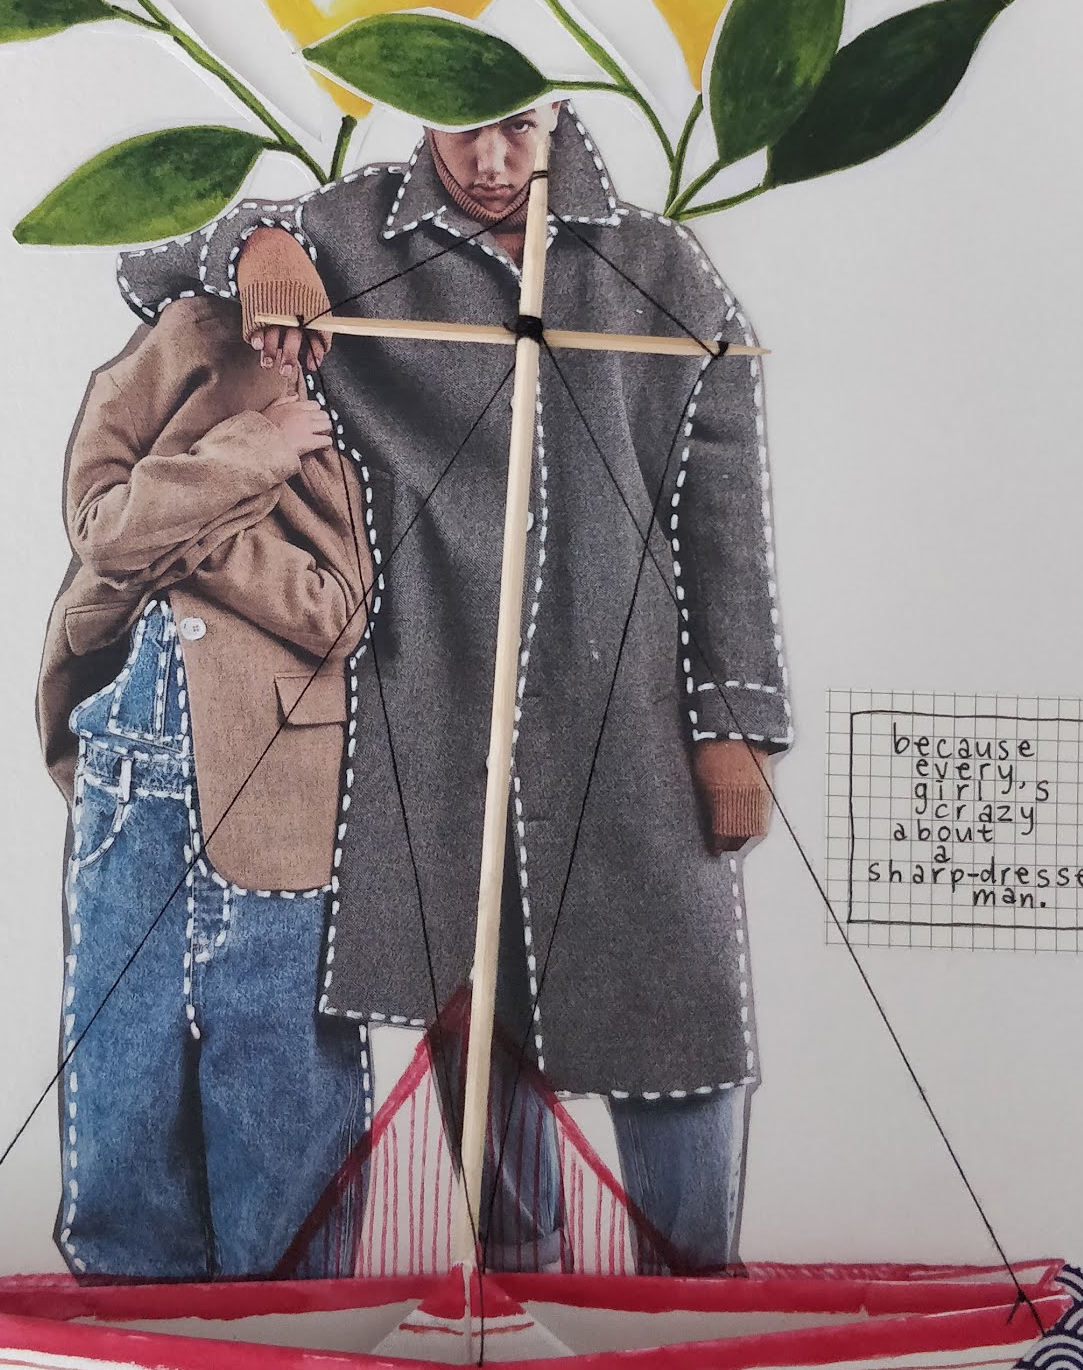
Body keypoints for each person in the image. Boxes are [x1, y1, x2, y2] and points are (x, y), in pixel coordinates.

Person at [115, 101, 791, 1273]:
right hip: (422, 697)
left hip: (621, 700)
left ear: (559, 114)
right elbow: (147, 271)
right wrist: (256, 242)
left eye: (518, 127)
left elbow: (720, 511)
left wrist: (731, 722)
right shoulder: (351, 231)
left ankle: (696, 1283)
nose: (489, 159)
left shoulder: (656, 263)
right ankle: (517, 1281)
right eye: (463, 124)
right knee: (471, 1013)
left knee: (673, 1007)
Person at [36, 291, 372, 1279]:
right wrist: (248, 453)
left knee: (280, 1083)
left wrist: (178, 526)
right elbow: (103, 530)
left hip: (283, 778)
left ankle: (290, 1329)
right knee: (120, 1068)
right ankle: (128, 1319)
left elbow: (333, 610)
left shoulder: (338, 378)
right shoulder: (180, 335)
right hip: (128, 766)